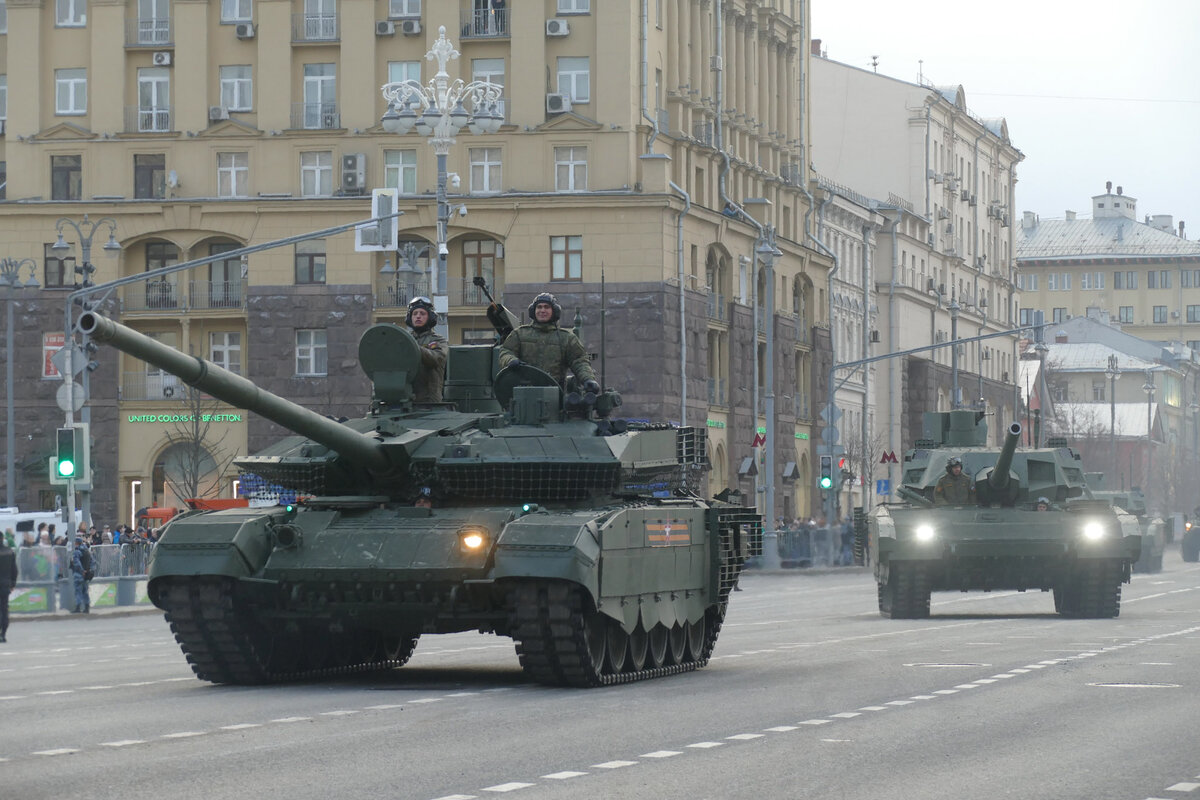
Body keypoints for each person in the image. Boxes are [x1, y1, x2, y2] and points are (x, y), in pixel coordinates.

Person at [498, 292, 599, 392]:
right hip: (523, 393)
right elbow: (506, 351)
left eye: (546, 307)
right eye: (539, 307)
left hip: (554, 394)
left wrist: (588, 379)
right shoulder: (519, 334)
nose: (542, 310)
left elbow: (579, 361)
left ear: (554, 311)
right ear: (533, 310)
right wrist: (511, 360)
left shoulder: (567, 338)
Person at [405, 296, 448, 403]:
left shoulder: (438, 340)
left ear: (430, 317)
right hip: (405, 401)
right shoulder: (405, 339)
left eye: (422, 314)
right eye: (415, 314)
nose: (418, 317)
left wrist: (413, 348)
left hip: (429, 403)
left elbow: (436, 359)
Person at [0, 533, 16, 642]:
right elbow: (14, 570)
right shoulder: (10, 551)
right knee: (4, 609)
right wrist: (13, 584)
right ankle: (3, 634)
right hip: (6, 584)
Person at [71, 537, 92, 614]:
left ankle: (78, 607)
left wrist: (82, 570)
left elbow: (77, 563)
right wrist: (88, 570)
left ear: (76, 543)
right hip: (86, 574)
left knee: (78, 591)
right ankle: (87, 607)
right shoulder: (86, 550)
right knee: (85, 591)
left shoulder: (77, 551)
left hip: (79, 574)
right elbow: (92, 561)